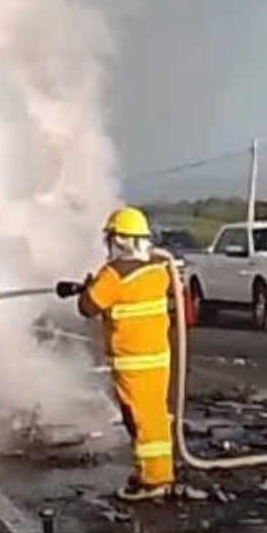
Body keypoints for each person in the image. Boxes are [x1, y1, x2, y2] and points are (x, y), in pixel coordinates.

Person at [58, 206, 175, 501]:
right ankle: (152, 472)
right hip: (158, 357)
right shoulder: (157, 270)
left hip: (133, 361)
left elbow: (87, 307)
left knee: (142, 421)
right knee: (153, 416)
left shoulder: (113, 274)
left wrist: (90, 287)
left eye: (111, 240)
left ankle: (154, 480)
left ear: (120, 240)